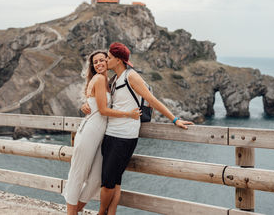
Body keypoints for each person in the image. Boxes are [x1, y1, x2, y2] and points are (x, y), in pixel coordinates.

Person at [82, 42, 194, 215]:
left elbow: (152, 99)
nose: (106, 61)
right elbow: (101, 101)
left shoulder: (131, 76)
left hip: (125, 137)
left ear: (118, 60)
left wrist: (175, 119)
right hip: (110, 134)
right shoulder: (114, 80)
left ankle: (101, 212)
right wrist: (86, 104)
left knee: (108, 182)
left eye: (109, 58)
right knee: (115, 180)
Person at [63, 50, 141, 215]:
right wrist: (129, 114)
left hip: (102, 134)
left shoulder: (110, 81)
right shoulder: (99, 79)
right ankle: (71, 212)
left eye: (101, 60)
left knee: (97, 178)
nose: (98, 64)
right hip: (90, 131)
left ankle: (76, 210)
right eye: (95, 62)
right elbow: (103, 110)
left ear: (108, 61)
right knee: (78, 173)